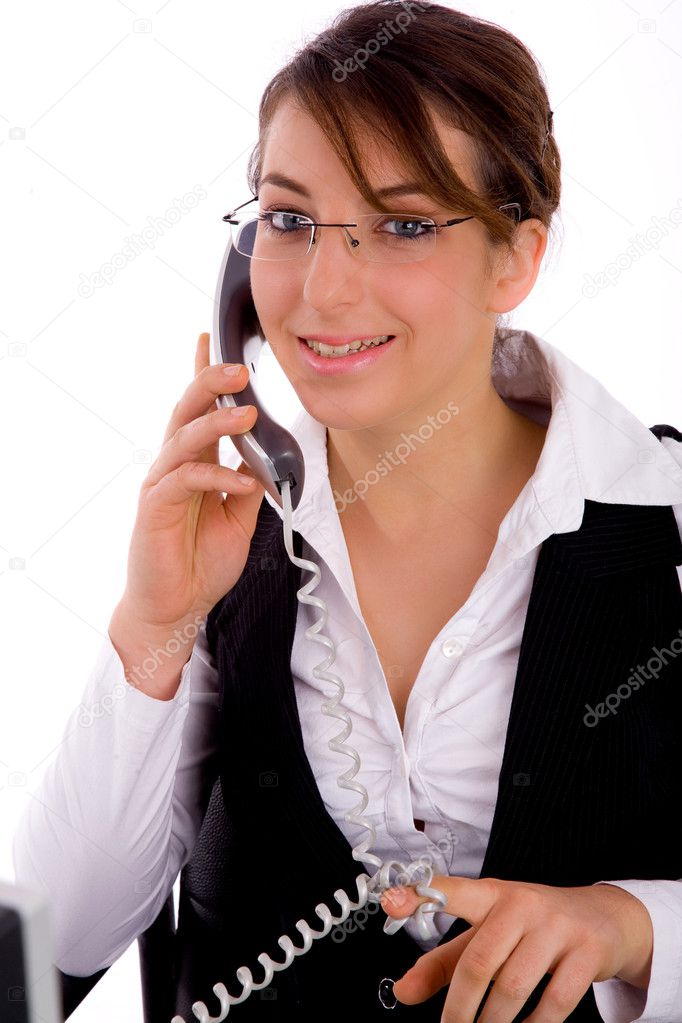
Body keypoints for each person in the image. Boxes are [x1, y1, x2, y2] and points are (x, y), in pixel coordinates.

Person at [13, 2, 682, 1021]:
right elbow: (54, 942)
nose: (322, 290)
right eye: (289, 220)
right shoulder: (230, 538)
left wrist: (631, 927)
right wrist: (155, 630)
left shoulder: (662, 522)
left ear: (516, 258)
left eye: (403, 225)